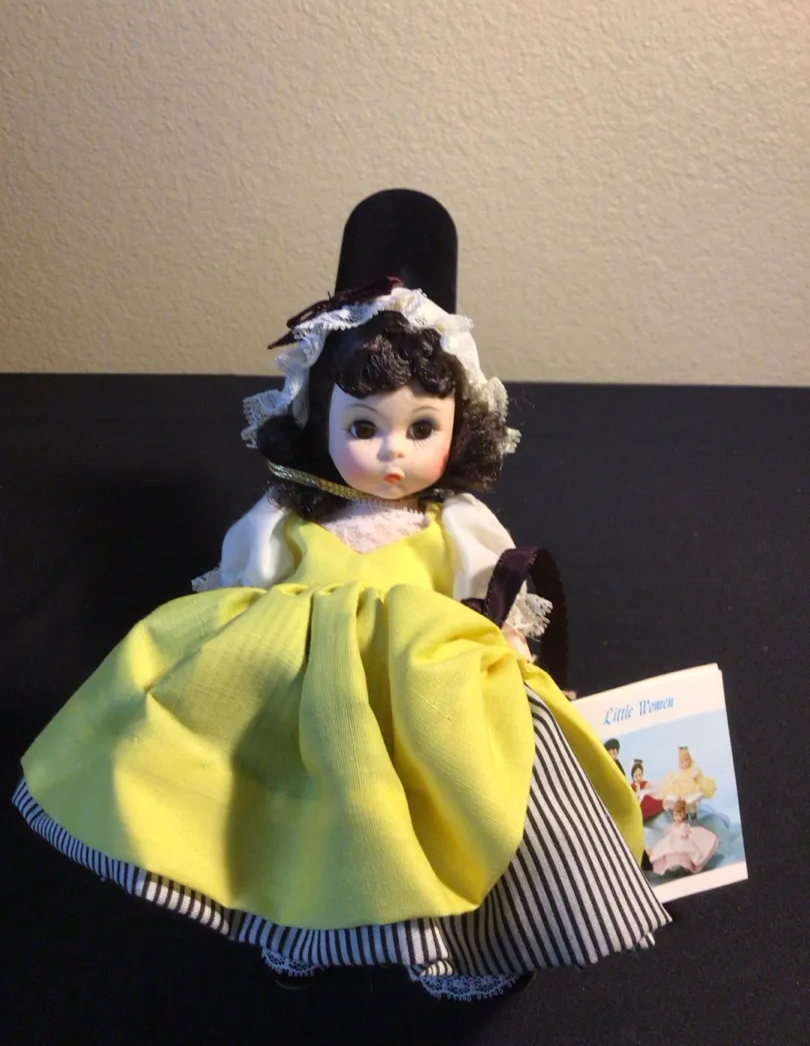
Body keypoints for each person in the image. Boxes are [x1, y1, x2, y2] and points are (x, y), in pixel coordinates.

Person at [14, 192, 669, 1001]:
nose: (393, 453)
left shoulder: (456, 522)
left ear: (459, 425)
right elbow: (242, 580)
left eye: (421, 428)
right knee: (290, 817)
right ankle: (297, 924)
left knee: (448, 808)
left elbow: (496, 590)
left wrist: (507, 648)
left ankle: (457, 945)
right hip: (300, 691)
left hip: (425, 697)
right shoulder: (287, 517)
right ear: (316, 418)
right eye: (364, 427)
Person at [648, 799, 719, 875]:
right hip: (672, 842)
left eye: (680, 815)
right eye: (676, 815)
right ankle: (670, 867)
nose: (677, 817)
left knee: (682, 852)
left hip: (682, 843)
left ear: (684, 816)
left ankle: (683, 868)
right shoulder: (672, 826)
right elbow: (668, 832)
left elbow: (685, 834)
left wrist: (681, 834)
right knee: (666, 850)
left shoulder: (684, 826)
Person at [661, 746, 717, 821]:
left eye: (686, 760)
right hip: (682, 791)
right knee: (685, 804)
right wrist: (674, 782)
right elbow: (675, 779)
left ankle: (693, 816)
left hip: (692, 790)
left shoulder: (693, 769)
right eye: (682, 762)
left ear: (690, 760)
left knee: (691, 803)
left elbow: (696, 774)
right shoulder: (680, 772)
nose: (684, 763)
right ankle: (686, 815)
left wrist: (694, 775)